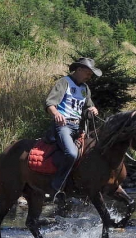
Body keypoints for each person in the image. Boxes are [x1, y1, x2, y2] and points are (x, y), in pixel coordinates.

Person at [45, 57, 102, 198]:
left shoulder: (85, 88)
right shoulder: (64, 82)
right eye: (88, 73)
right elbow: (49, 104)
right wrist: (56, 114)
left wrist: (93, 110)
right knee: (71, 153)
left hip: (78, 127)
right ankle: (56, 188)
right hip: (63, 126)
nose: (90, 76)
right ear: (79, 69)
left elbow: (88, 107)